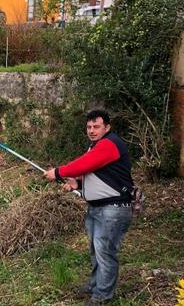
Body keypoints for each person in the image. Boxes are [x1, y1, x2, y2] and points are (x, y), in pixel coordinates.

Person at [43, 110, 134, 306]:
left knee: (105, 252)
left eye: (96, 126)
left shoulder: (110, 144)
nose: (91, 131)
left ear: (107, 128)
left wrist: (58, 172)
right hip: (98, 208)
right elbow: (98, 174)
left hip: (113, 209)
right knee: (96, 251)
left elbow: (84, 165)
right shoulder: (96, 146)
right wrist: (80, 185)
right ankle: (95, 285)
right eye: (89, 127)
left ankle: (102, 296)